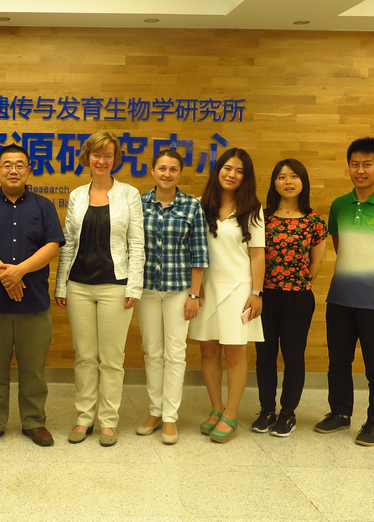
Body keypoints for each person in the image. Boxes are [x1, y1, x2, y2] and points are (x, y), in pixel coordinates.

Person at [314, 137, 374, 446]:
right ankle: (340, 413)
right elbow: (340, 246)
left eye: (367, 164)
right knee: (338, 362)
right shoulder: (339, 205)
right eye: (354, 164)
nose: (360, 170)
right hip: (340, 299)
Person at [0, 144, 65, 448]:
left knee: (33, 369)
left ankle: (34, 421)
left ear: (29, 170)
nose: (13, 170)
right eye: (7, 165)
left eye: (19, 165)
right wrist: (6, 276)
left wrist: (19, 271)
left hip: (33, 302)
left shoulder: (44, 206)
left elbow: (52, 246)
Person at [55, 131, 144, 447]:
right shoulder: (78, 195)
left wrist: (134, 285)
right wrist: (61, 285)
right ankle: (84, 418)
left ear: (115, 159)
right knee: (84, 357)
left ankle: (107, 421)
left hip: (115, 286)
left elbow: (136, 243)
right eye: (96, 155)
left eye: (108, 155)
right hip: (78, 285)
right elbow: (68, 243)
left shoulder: (129, 194)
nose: (102, 161)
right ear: (87, 158)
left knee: (111, 359)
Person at [189, 147, 265, 443]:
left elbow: (257, 255)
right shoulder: (200, 205)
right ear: (218, 170)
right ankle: (216, 408)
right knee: (208, 350)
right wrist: (194, 285)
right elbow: (191, 248)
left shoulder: (252, 209)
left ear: (246, 177)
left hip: (239, 288)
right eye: (227, 168)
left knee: (234, 352)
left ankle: (231, 413)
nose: (231, 175)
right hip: (206, 287)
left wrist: (256, 293)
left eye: (239, 171)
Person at [136, 149, 209, 445]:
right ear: (153, 171)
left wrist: (194, 294)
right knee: (152, 352)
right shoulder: (139, 203)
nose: (167, 174)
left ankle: (170, 417)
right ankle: (155, 411)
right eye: (162, 168)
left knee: (175, 353)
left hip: (179, 291)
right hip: (146, 290)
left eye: (173, 169)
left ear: (180, 173)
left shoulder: (192, 206)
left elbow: (199, 253)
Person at [252, 159, 327, 437]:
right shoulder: (261, 217)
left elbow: (316, 262)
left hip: (298, 298)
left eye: (294, 176)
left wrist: (298, 282)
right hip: (265, 296)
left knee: (294, 357)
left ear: (303, 182)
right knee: (265, 356)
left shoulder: (314, 221)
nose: (288, 182)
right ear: (274, 183)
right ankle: (266, 410)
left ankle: (288, 413)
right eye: (282, 176)